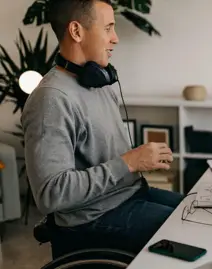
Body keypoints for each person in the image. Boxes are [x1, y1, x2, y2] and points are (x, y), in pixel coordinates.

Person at [21, 0, 183, 258]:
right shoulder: (51, 99)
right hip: (91, 218)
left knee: (197, 213)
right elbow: (51, 194)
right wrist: (128, 163)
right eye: (108, 28)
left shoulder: (99, 82)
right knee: (191, 233)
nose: (115, 38)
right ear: (76, 31)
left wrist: (138, 161)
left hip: (129, 196)